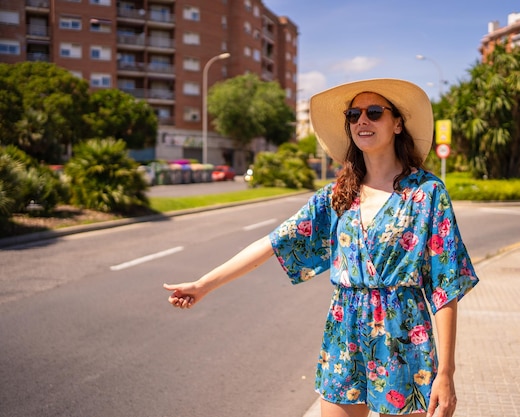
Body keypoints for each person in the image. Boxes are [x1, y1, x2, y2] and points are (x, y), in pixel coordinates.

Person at [164, 78, 479, 417]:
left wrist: (446, 373)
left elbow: (445, 287)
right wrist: (203, 285)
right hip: (345, 333)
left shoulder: (427, 193)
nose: (362, 121)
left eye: (374, 112)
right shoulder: (337, 195)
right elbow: (272, 243)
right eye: (354, 114)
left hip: (405, 335)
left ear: (397, 123)